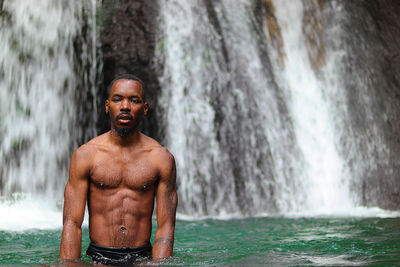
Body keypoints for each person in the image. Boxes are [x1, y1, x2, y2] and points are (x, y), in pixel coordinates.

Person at [59, 74, 178, 265]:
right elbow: (72, 223)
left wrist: (159, 264)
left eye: (134, 100)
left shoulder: (161, 158)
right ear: (107, 106)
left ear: (145, 108)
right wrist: (69, 264)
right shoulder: (85, 155)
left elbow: (166, 225)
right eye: (117, 99)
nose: (125, 106)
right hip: (98, 258)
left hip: (143, 259)